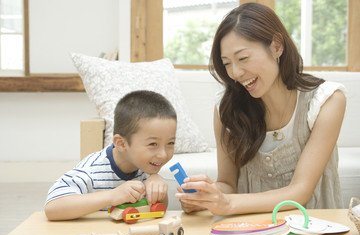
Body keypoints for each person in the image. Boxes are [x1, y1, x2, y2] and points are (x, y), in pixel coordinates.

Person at [175, 2, 346, 216]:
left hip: (314, 229)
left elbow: (300, 191)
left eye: (243, 58)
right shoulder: (226, 110)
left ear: (276, 46)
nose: (235, 73)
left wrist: (226, 203)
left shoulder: (326, 101)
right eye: (226, 63)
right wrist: (206, 195)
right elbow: (228, 184)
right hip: (252, 230)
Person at [45, 90, 177, 220]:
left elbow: (157, 210)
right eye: (153, 144)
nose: (163, 154)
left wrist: (158, 190)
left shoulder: (145, 167)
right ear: (121, 144)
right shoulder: (91, 171)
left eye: (170, 143)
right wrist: (111, 196)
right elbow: (52, 208)